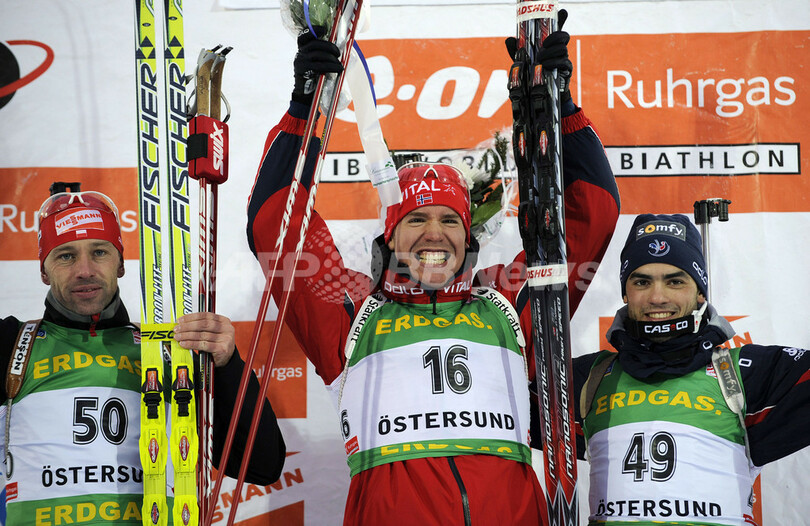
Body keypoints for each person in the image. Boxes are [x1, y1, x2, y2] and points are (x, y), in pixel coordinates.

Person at [246, 12, 620, 526]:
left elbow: (592, 214)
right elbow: (276, 225)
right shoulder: (349, 312)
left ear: (468, 235)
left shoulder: (508, 303)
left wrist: (563, 108)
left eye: (449, 219)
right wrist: (305, 110)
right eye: (416, 218)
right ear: (390, 235)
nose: (434, 234)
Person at [0, 187, 286, 525]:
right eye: (65, 255)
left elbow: (262, 466)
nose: (85, 270)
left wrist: (227, 368)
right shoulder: (11, 343)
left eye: (100, 252)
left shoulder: (170, 349)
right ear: (44, 271)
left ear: (120, 264)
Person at [574, 213, 810, 526]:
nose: (657, 298)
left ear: (700, 291)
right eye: (642, 281)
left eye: (675, 281)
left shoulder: (743, 373)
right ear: (625, 292)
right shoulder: (586, 376)